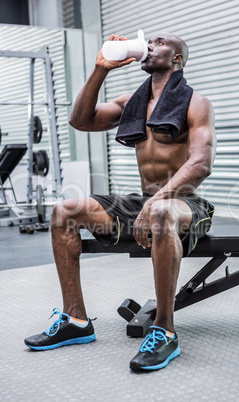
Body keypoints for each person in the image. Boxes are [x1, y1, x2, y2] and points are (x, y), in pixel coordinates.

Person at [25, 32, 216, 372]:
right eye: (150, 41)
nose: (149, 45)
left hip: (186, 204)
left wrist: (155, 202)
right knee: (64, 211)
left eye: (158, 42)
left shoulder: (195, 103)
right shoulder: (134, 102)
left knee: (159, 210)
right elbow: (80, 120)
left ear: (176, 59)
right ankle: (76, 320)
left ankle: (164, 330)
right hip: (145, 202)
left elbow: (200, 164)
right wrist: (101, 69)